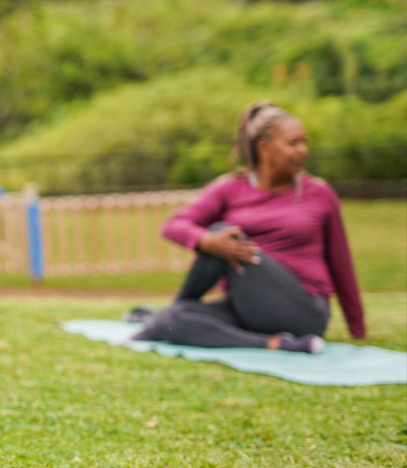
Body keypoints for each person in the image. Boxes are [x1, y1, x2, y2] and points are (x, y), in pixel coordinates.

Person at [130, 102, 364, 353]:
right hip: (250, 308)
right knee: (173, 321)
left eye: (303, 142)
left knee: (224, 232)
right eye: (293, 143)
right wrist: (206, 241)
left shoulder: (318, 193)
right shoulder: (230, 188)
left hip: (304, 310)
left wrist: (357, 327)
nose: (302, 151)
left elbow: (341, 263)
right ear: (264, 147)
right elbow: (174, 225)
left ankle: (174, 310)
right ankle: (276, 344)